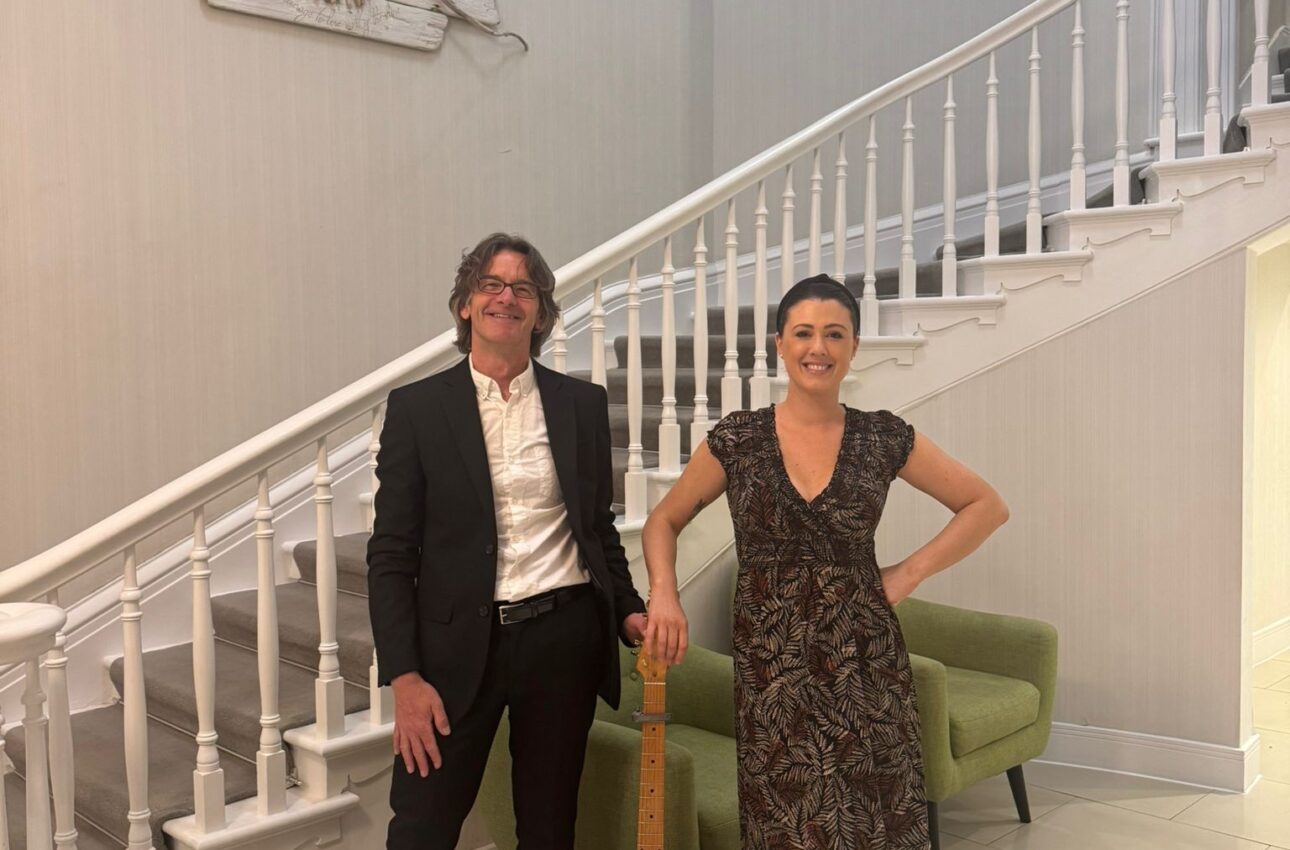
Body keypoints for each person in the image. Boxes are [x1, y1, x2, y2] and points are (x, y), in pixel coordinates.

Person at [641, 274, 1009, 850]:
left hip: (865, 659)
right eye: (804, 333)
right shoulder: (739, 439)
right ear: (780, 344)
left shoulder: (883, 437)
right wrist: (664, 593)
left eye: (835, 334)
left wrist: (908, 573)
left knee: (873, 817)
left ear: (854, 345)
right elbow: (663, 520)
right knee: (785, 820)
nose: (819, 348)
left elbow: (986, 506)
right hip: (772, 667)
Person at [367, 232, 648, 850]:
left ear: (541, 313)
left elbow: (596, 527)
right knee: (420, 828)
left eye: (523, 288)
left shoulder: (581, 404)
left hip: (562, 639)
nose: (506, 297)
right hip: (454, 651)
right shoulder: (417, 409)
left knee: (549, 830)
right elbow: (390, 555)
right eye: (490, 284)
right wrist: (404, 677)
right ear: (465, 305)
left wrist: (629, 608)